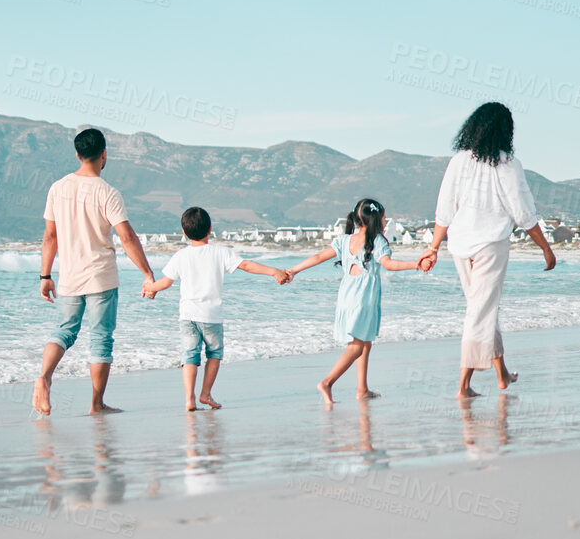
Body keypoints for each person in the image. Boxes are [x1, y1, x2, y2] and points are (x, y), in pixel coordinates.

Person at [422, 102, 555, 397]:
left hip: (459, 245)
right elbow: (522, 213)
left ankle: (502, 375)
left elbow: (444, 209)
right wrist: (546, 248)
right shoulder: (507, 163)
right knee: (480, 311)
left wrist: (433, 247)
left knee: (481, 307)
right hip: (491, 245)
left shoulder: (459, 160)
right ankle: (463, 386)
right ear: (505, 130)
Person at [33, 126, 155, 416]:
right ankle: (96, 404)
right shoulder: (107, 192)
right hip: (101, 276)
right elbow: (126, 237)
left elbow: (50, 236)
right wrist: (147, 274)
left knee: (64, 330)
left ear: (77, 154)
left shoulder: (58, 188)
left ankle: (44, 377)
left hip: (69, 276)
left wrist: (45, 275)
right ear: (104, 155)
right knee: (101, 337)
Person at [143, 206, 291, 411]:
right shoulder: (220, 253)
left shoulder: (180, 256)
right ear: (210, 229)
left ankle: (189, 398)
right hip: (211, 316)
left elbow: (166, 282)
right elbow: (246, 265)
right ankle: (205, 394)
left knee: (189, 356)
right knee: (213, 355)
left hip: (187, 317)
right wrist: (274, 271)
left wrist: (150, 288)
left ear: (184, 233)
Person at [285, 198, 428, 406]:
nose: (385, 221)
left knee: (365, 341)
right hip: (363, 299)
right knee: (356, 347)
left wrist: (293, 270)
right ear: (376, 219)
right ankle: (327, 382)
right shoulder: (377, 240)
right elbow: (388, 264)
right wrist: (416, 264)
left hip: (346, 296)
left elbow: (317, 257)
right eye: (384, 218)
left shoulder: (344, 240)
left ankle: (362, 389)